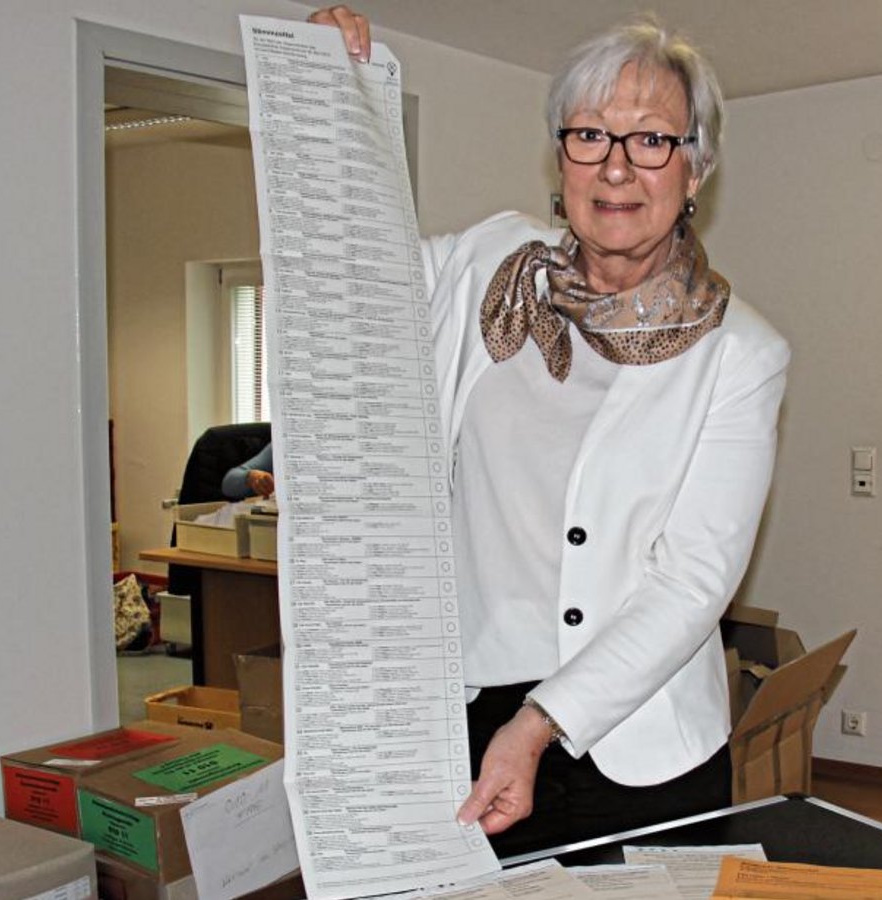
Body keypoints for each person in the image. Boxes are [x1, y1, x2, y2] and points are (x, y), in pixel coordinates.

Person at [309, 6, 791, 856]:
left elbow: (693, 582)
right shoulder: (492, 264)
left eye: (651, 142)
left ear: (696, 168)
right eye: (589, 136)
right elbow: (350, 264)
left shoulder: (740, 354)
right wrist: (326, 91)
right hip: (464, 712)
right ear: (559, 155)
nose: (616, 168)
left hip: (641, 746)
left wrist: (539, 726)